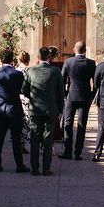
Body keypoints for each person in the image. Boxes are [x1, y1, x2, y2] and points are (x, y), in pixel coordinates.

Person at [21, 46, 64, 176]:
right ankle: (46, 168)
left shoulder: (30, 71)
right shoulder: (55, 71)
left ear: (38, 57)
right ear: (49, 57)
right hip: (50, 109)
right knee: (48, 139)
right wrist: (60, 109)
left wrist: (33, 98)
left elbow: (24, 90)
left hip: (35, 109)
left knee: (35, 138)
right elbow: (60, 92)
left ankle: (34, 168)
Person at [0, 48, 30, 173]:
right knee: (16, 138)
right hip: (14, 108)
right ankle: (19, 164)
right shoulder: (17, 74)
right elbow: (22, 90)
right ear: (12, 59)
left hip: (0, 107)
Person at [59, 41, 96, 160]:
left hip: (72, 95)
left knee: (68, 123)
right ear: (85, 50)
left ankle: (67, 150)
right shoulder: (90, 63)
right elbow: (96, 81)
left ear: (74, 49)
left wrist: (65, 94)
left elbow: (62, 79)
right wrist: (92, 94)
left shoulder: (68, 62)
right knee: (81, 124)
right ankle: (78, 151)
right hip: (85, 96)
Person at [16, 50, 31, 153]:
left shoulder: (15, 71)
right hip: (27, 98)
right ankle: (25, 144)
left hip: (17, 97)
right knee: (27, 122)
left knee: (19, 122)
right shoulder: (30, 71)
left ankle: (18, 142)